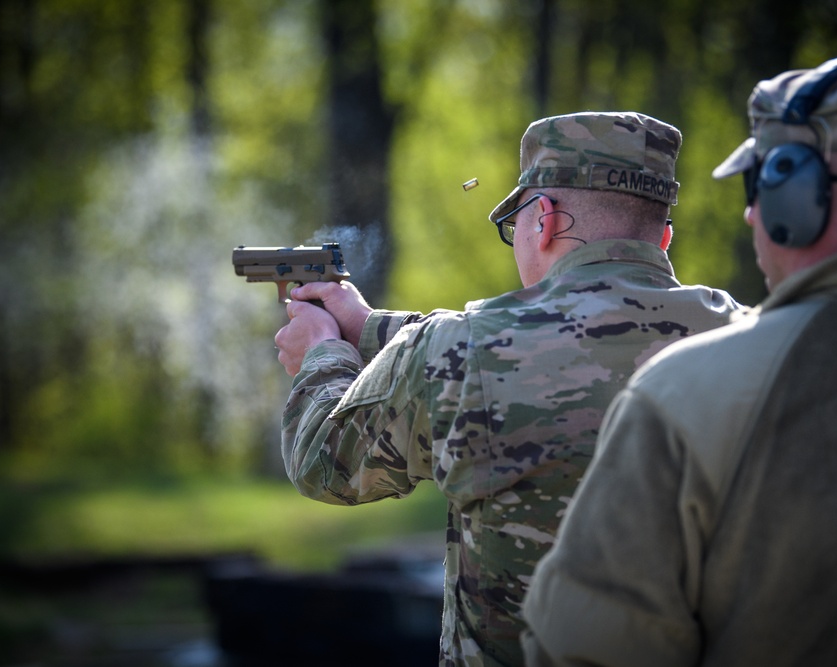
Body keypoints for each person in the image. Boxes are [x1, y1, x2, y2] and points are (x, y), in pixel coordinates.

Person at [521, 56, 837, 666]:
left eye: (756, 185)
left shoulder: (685, 393)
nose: (749, 211)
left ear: (792, 190)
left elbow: (585, 653)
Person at [273, 111, 741, 666]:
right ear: (663, 235)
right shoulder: (750, 336)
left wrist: (322, 353)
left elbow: (324, 463)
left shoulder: (461, 352)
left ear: (542, 219)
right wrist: (368, 325)